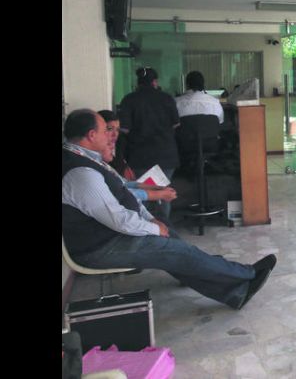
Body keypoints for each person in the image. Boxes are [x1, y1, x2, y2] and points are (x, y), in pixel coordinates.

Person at [62, 109, 276, 309]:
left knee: (173, 243)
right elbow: (118, 218)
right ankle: (246, 274)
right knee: (175, 250)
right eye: (105, 131)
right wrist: (153, 228)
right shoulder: (81, 173)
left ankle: (235, 292)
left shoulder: (88, 160)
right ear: (91, 135)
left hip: (111, 235)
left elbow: (124, 191)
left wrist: (152, 221)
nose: (111, 136)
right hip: (99, 247)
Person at [118, 67, 180, 225]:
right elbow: (176, 124)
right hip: (165, 155)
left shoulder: (129, 100)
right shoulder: (166, 98)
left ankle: (143, 229)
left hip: (139, 156)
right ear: (155, 82)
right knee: (163, 194)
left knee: (141, 196)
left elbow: (124, 129)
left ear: (137, 83)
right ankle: (165, 229)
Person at [98, 110, 178, 205]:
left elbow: (123, 183)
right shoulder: (94, 157)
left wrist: (153, 188)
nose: (115, 134)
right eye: (110, 129)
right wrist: (156, 194)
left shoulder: (120, 142)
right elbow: (116, 191)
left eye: (118, 130)